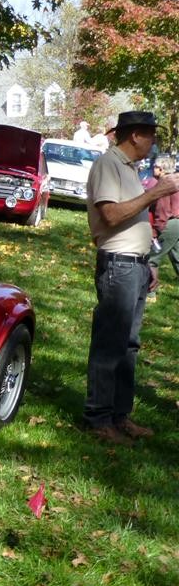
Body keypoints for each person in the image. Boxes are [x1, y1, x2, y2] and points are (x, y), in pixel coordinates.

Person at [82, 111, 179, 445]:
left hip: (134, 265)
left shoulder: (128, 169)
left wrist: (147, 262)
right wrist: (156, 193)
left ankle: (119, 416)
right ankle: (98, 418)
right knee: (110, 344)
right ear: (135, 135)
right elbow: (110, 215)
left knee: (129, 345)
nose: (154, 142)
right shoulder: (108, 164)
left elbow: (134, 219)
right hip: (118, 266)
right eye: (151, 135)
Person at [148, 156, 179, 292]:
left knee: (152, 259)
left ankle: (150, 293)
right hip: (177, 223)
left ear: (161, 169)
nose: (153, 168)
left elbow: (162, 209)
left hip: (170, 224)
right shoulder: (176, 180)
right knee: (177, 258)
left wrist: (156, 231)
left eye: (155, 166)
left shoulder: (165, 183)